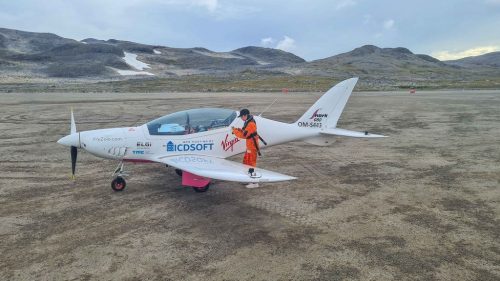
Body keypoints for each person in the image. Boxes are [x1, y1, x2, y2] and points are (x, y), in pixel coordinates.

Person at [232, 108, 261, 188]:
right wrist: (237, 129)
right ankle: (247, 179)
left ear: (245, 115)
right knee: (246, 162)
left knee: (251, 163)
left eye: (241, 116)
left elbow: (244, 135)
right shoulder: (248, 122)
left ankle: (254, 182)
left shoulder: (251, 123)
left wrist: (234, 131)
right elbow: (244, 131)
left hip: (252, 147)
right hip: (249, 146)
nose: (241, 118)